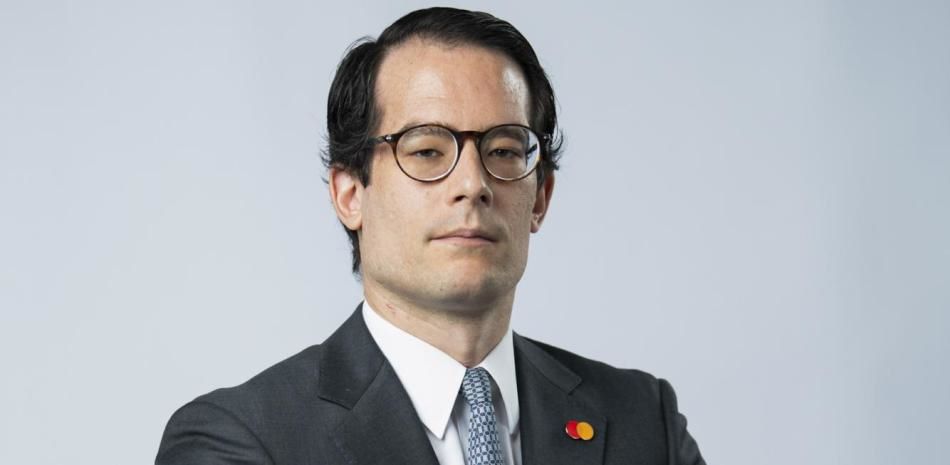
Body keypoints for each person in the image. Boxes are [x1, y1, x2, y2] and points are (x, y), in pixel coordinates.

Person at [156, 7, 705, 465]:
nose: (472, 185)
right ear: (350, 194)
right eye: (425, 151)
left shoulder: (643, 419)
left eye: (504, 151)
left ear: (540, 197)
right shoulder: (242, 437)